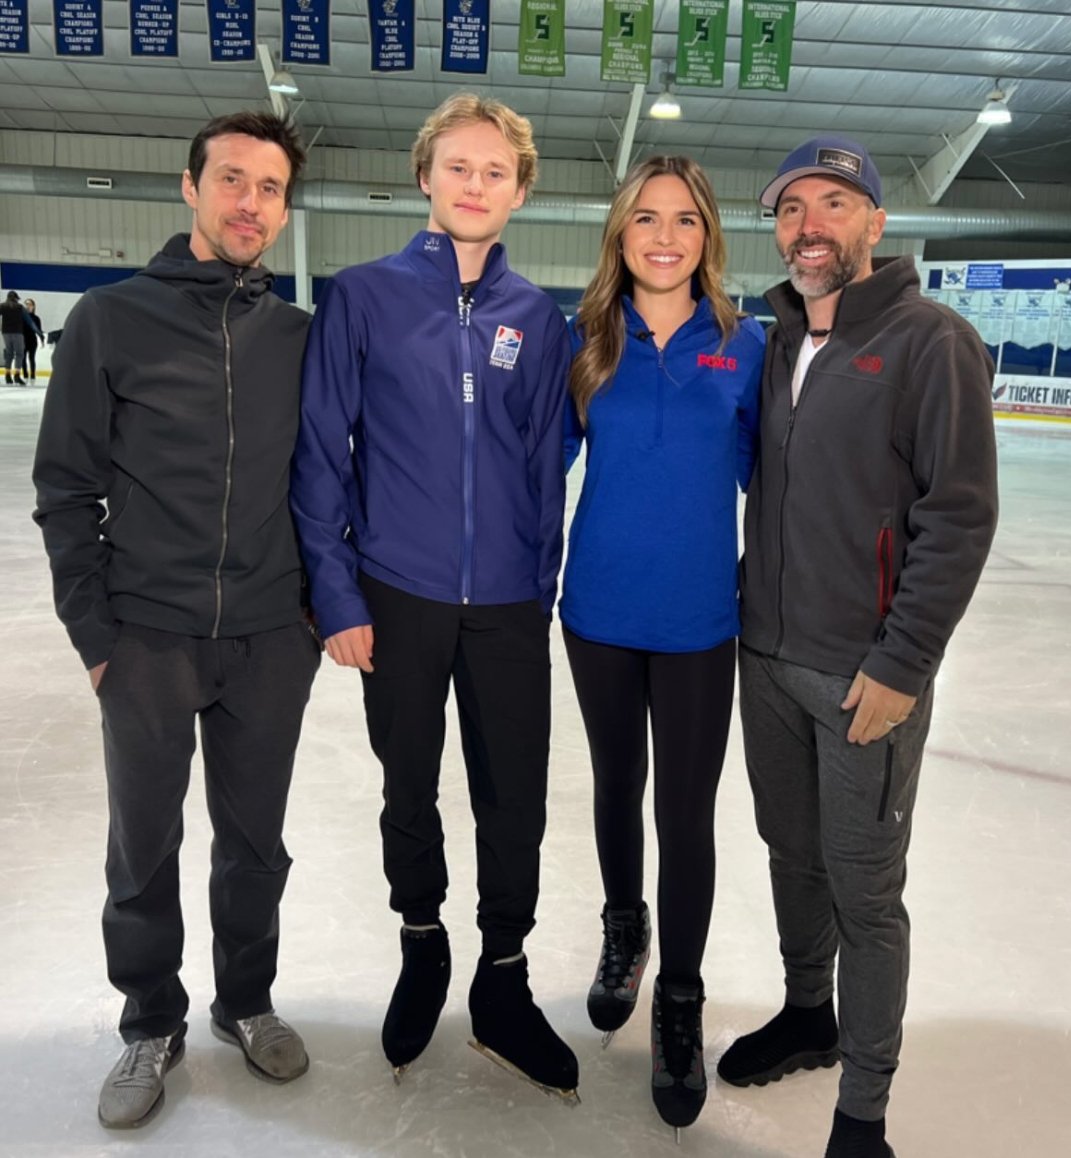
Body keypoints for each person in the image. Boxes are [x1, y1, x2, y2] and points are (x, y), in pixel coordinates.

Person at [32, 111, 320, 1130]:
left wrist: (308, 616)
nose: (251, 202)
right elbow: (65, 489)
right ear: (190, 187)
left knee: (255, 843)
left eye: (271, 188)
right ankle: (151, 1018)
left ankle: (246, 999)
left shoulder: (298, 337)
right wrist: (96, 637)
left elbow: (333, 479)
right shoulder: (112, 321)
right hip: (148, 636)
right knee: (143, 847)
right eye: (232, 179)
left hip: (268, 638)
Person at [716, 136, 998, 1157]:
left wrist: (902, 662)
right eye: (792, 208)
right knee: (792, 854)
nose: (811, 226)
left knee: (867, 891)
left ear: (874, 222)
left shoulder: (931, 342)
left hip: (864, 675)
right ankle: (808, 1012)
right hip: (767, 658)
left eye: (834, 205)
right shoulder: (778, 341)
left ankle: (864, 1112)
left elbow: (958, 517)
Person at [290, 94, 576, 1101]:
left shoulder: (536, 318)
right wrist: (337, 593)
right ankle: (422, 940)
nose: (475, 184)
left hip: (505, 604)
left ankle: (504, 971)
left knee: (515, 797)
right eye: (459, 166)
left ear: (520, 191)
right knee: (407, 784)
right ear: (425, 176)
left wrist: (535, 591)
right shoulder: (362, 297)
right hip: (397, 592)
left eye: (496, 171)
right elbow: (321, 453)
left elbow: (546, 468)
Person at [562, 155, 764, 1134]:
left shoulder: (745, 344)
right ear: (622, 232)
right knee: (617, 787)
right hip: (598, 610)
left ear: (708, 235)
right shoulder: (586, 340)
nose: (665, 236)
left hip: (697, 623)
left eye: (685, 219)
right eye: (646, 217)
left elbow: (781, 479)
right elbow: (530, 463)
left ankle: (679, 996)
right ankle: (623, 928)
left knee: (685, 816)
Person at [2, 289, 31, 384]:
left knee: (9, 353)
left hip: (6, 333)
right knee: (19, 353)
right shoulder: (20, 307)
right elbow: (29, 320)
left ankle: (7, 376)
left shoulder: (2, 306)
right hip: (17, 333)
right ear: (16, 298)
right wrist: (39, 332)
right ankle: (17, 375)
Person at [22, 297, 44, 381]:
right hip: (23, 340)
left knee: (31, 358)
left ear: (33, 306)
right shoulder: (21, 317)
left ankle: (32, 375)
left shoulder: (36, 318)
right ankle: (25, 375)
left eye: (30, 304)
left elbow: (39, 330)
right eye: (26, 304)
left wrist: (42, 340)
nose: (28, 306)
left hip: (32, 341)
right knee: (23, 358)